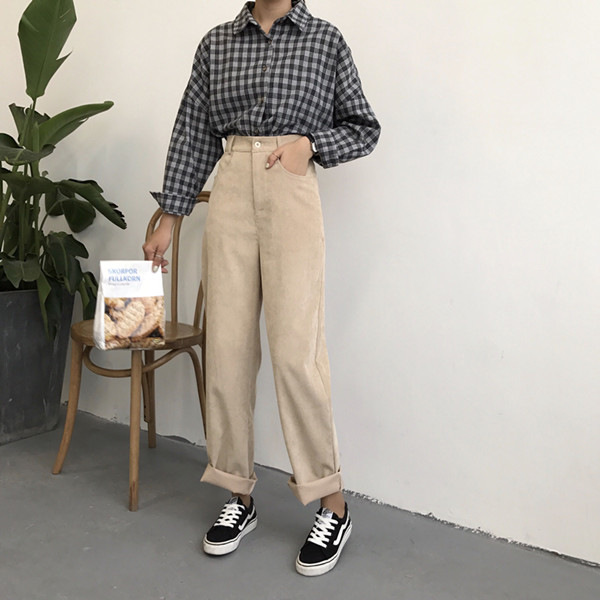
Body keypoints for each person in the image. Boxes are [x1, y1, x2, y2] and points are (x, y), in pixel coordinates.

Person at [144, 0, 380, 576]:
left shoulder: (325, 39)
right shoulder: (217, 42)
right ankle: (237, 494)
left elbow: (363, 127)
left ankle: (332, 503)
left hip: (290, 187)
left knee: (297, 352)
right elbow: (193, 132)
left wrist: (310, 145)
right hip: (230, 187)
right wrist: (170, 216)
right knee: (227, 348)